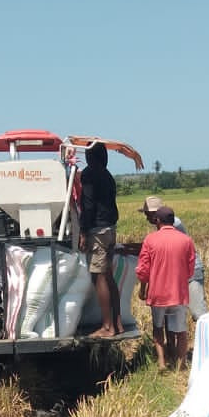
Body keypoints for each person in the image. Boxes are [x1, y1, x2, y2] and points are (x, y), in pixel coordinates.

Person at [136, 206, 196, 369]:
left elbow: (143, 269)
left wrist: (143, 289)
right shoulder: (186, 240)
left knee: (158, 327)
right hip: (178, 293)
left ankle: (162, 362)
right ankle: (181, 363)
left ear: (157, 220)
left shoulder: (150, 240)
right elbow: (191, 269)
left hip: (158, 293)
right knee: (181, 331)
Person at [76, 142, 122, 337]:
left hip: (98, 231)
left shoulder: (89, 174)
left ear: (89, 157)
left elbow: (88, 205)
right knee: (109, 276)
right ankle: (118, 324)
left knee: (98, 276)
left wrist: (84, 232)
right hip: (110, 228)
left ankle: (107, 327)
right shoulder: (107, 174)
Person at [141, 196, 205, 316]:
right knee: (175, 316)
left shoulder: (174, 223)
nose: (147, 218)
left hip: (190, 271)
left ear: (156, 214)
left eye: (147, 214)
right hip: (178, 272)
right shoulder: (163, 224)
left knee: (197, 312)